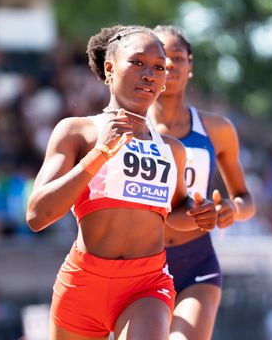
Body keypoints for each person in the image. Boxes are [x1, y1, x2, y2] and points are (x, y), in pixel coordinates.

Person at [26, 25, 218, 340]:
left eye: (160, 67)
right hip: (83, 284)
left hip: (146, 285)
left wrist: (201, 215)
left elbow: (178, 212)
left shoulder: (173, 149)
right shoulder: (77, 131)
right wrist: (99, 154)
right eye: (138, 62)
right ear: (110, 68)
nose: (150, 74)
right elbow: (37, 215)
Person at [148, 25, 256, 340]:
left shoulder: (217, 130)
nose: (169, 65)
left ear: (190, 66)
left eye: (178, 57)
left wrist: (233, 210)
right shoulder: (130, 129)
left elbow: (246, 199)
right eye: (161, 58)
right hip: (142, 263)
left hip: (197, 261)